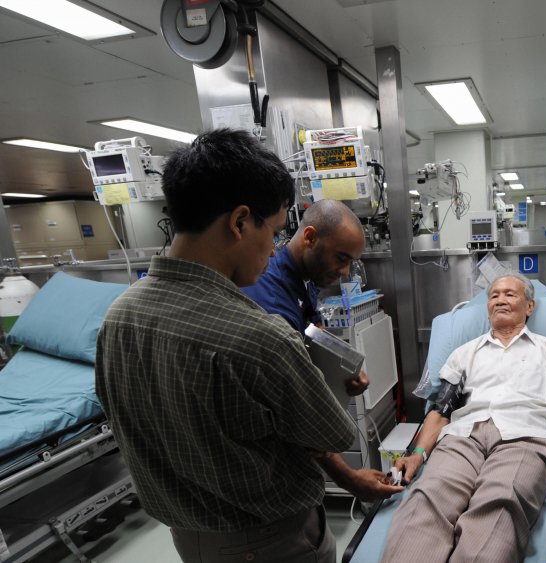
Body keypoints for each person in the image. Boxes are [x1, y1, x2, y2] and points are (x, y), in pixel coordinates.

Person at [96, 129, 359, 563]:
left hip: (187, 536)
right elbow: (333, 433)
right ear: (239, 222)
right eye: (274, 232)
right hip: (273, 542)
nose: (275, 250)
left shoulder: (118, 316)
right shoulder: (259, 336)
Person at [380, 274, 546, 563]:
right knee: (427, 499)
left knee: (501, 501)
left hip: (526, 437)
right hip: (462, 437)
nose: (500, 300)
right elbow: (440, 412)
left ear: (529, 306)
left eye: (510, 294)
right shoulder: (464, 355)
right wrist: (417, 454)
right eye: (494, 295)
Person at [242, 198, 404, 502]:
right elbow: (296, 409)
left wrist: (344, 367)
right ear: (310, 238)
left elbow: (317, 333)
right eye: (341, 258)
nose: (345, 272)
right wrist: (351, 479)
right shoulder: (273, 301)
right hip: (267, 468)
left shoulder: (304, 278)